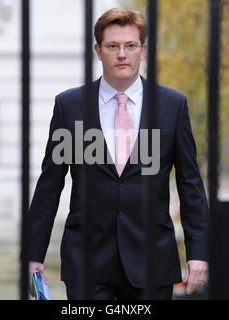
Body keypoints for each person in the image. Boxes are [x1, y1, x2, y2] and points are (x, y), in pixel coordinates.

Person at [27, 8, 208, 300]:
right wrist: (33, 254)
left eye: (130, 46)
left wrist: (198, 252)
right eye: (113, 46)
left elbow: (191, 185)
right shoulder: (70, 106)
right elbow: (50, 186)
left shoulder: (172, 106)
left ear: (143, 50)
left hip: (152, 261)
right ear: (99, 51)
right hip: (87, 262)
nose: (122, 54)